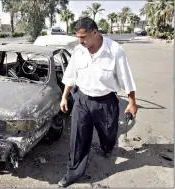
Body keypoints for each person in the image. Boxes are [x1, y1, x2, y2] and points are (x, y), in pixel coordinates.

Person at [58, 17, 138, 187]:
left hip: (106, 102)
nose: (80, 41)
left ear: (95, 32)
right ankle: (73, 173)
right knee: (78, 138)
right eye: (78, 37)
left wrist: (132, 102)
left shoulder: (115, 51)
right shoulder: (78, 51)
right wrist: (65, 96)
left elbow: (126, 79)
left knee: (109, 133)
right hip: (82, 100)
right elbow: (71, 76)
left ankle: (108, 148)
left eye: (83, 37)